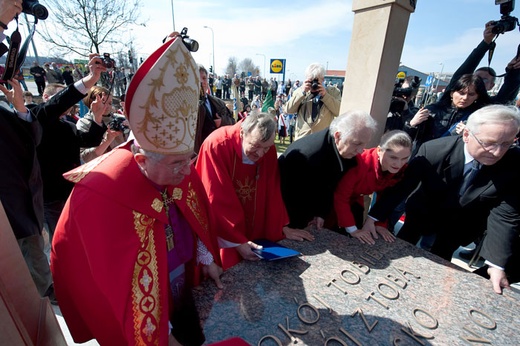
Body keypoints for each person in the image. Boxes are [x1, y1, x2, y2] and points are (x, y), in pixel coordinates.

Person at [51, 32, 223, 346]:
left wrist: (206, 259)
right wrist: (162, 336)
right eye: (176, 165)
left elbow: (191, 219)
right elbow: (113, 283)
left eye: (190, 160)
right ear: (142, 159)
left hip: (182, 288)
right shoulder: (100, 192)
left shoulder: (178, 166)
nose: (187, 172)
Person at [0, 0, 108, 301]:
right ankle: (55, 289)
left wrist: (91, 81)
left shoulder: (32, 116)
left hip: (41, 199)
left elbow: (78, 134)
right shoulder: (32, 117)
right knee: (49, 254)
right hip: (35, 203)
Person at [363, 104, 520, 295]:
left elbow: (506, 214)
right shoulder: (434, 151)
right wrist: (373, 218)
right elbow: (402, 188)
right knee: (399, 251)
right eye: (489, 143)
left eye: (506, 144)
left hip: (460, 225)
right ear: (467, 135)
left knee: (439, 268)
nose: (497, 152)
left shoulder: (513, 164)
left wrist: (496, 263)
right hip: (423, 214)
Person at [195, 112, 314, 270]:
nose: (259, 155)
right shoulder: (217, 145)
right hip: (225, 230)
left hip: (255, 226)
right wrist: (237, 241)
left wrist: (280, 227)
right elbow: (215, 197)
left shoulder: (267, 149)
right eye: (255, 146)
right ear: (242, 132)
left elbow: (271, 190)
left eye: (265, 149)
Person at [278, 110, 378, 231]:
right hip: (288, 218)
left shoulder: (343, 150)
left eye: (364, 144)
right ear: (338, 136)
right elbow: (285, 195)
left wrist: (321, 213)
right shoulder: (306, 156)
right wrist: (285, 228)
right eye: (357, 143)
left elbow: (328, 185)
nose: (361, 150)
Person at [334, 130, 412, 244]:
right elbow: (340, 197)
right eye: (393, 157)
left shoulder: (400, 169)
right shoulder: (359, 162)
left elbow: (385, 197)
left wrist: (378, 223)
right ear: (380, 150)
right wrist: (352, 230)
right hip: (334, 201)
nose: (399, 164)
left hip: (356, 201)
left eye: (404, 158)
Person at [404, 74, 490, 157]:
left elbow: (481, 146)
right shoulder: (432, 110)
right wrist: (412, 124)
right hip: (424, 156)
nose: (465, 98)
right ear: (452, 93)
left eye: (471, 94)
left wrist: (469, 136)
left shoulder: (477, 118)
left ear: (477, 97)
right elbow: (407, 139)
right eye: (461, 93)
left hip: (450, 162)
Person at [441, 20, 520, 106]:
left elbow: (509, 91)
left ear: (491, 86)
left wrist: (514, 70)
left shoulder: (490, 107)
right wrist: (486, 42)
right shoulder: (448, 102)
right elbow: (463, 71)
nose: (477, 81)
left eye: (484, 80)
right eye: (476, 77)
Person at [284, 63, 341, 141]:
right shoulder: (299, 92)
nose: (313, 84)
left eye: (316, 80)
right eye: (311, 81)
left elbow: (339, 111)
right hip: (302, 140)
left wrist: (325, 96)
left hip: (322, 141)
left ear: (323, 79)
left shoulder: (333, 92)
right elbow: (288, 110)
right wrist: (302, 93)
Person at [76, 85, 128, 163]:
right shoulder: (84, 123)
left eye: (110, 103)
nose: (107, 107)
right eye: (103, 102)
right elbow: (84, 158)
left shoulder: (119, 118)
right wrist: (106, 141)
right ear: (91, 103)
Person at [195, 65, 235, 153]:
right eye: (197, 79)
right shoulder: (187, 105)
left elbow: (233, 122)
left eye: (204, 78)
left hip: (216, 151)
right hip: (197, 154)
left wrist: (222, 121)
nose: (202, 82)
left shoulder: (218, 103)